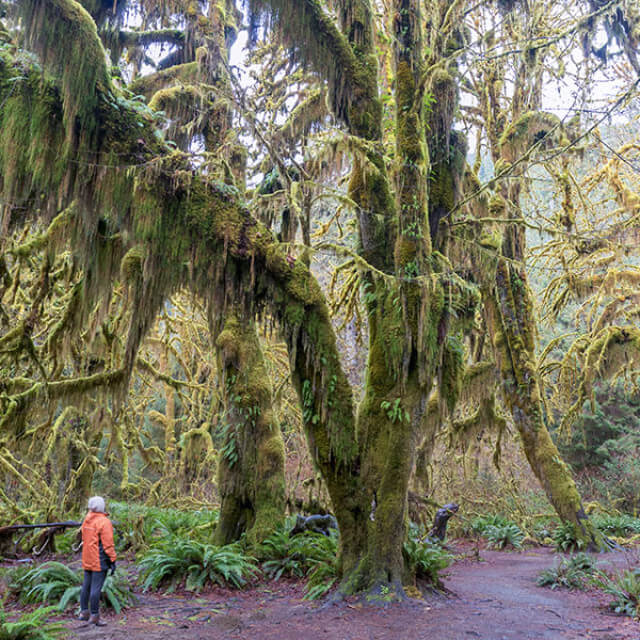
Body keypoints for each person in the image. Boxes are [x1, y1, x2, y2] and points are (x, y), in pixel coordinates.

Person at [79, 496, 116, 626]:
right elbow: (108, 544)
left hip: (87, 556)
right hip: (99, 559)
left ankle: (84, 613)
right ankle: (95, 616)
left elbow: (84, 537)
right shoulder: (104, 522)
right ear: (102, 506)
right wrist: (112, 559)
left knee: (86, 586)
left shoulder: (87, 519)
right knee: (96, 588)